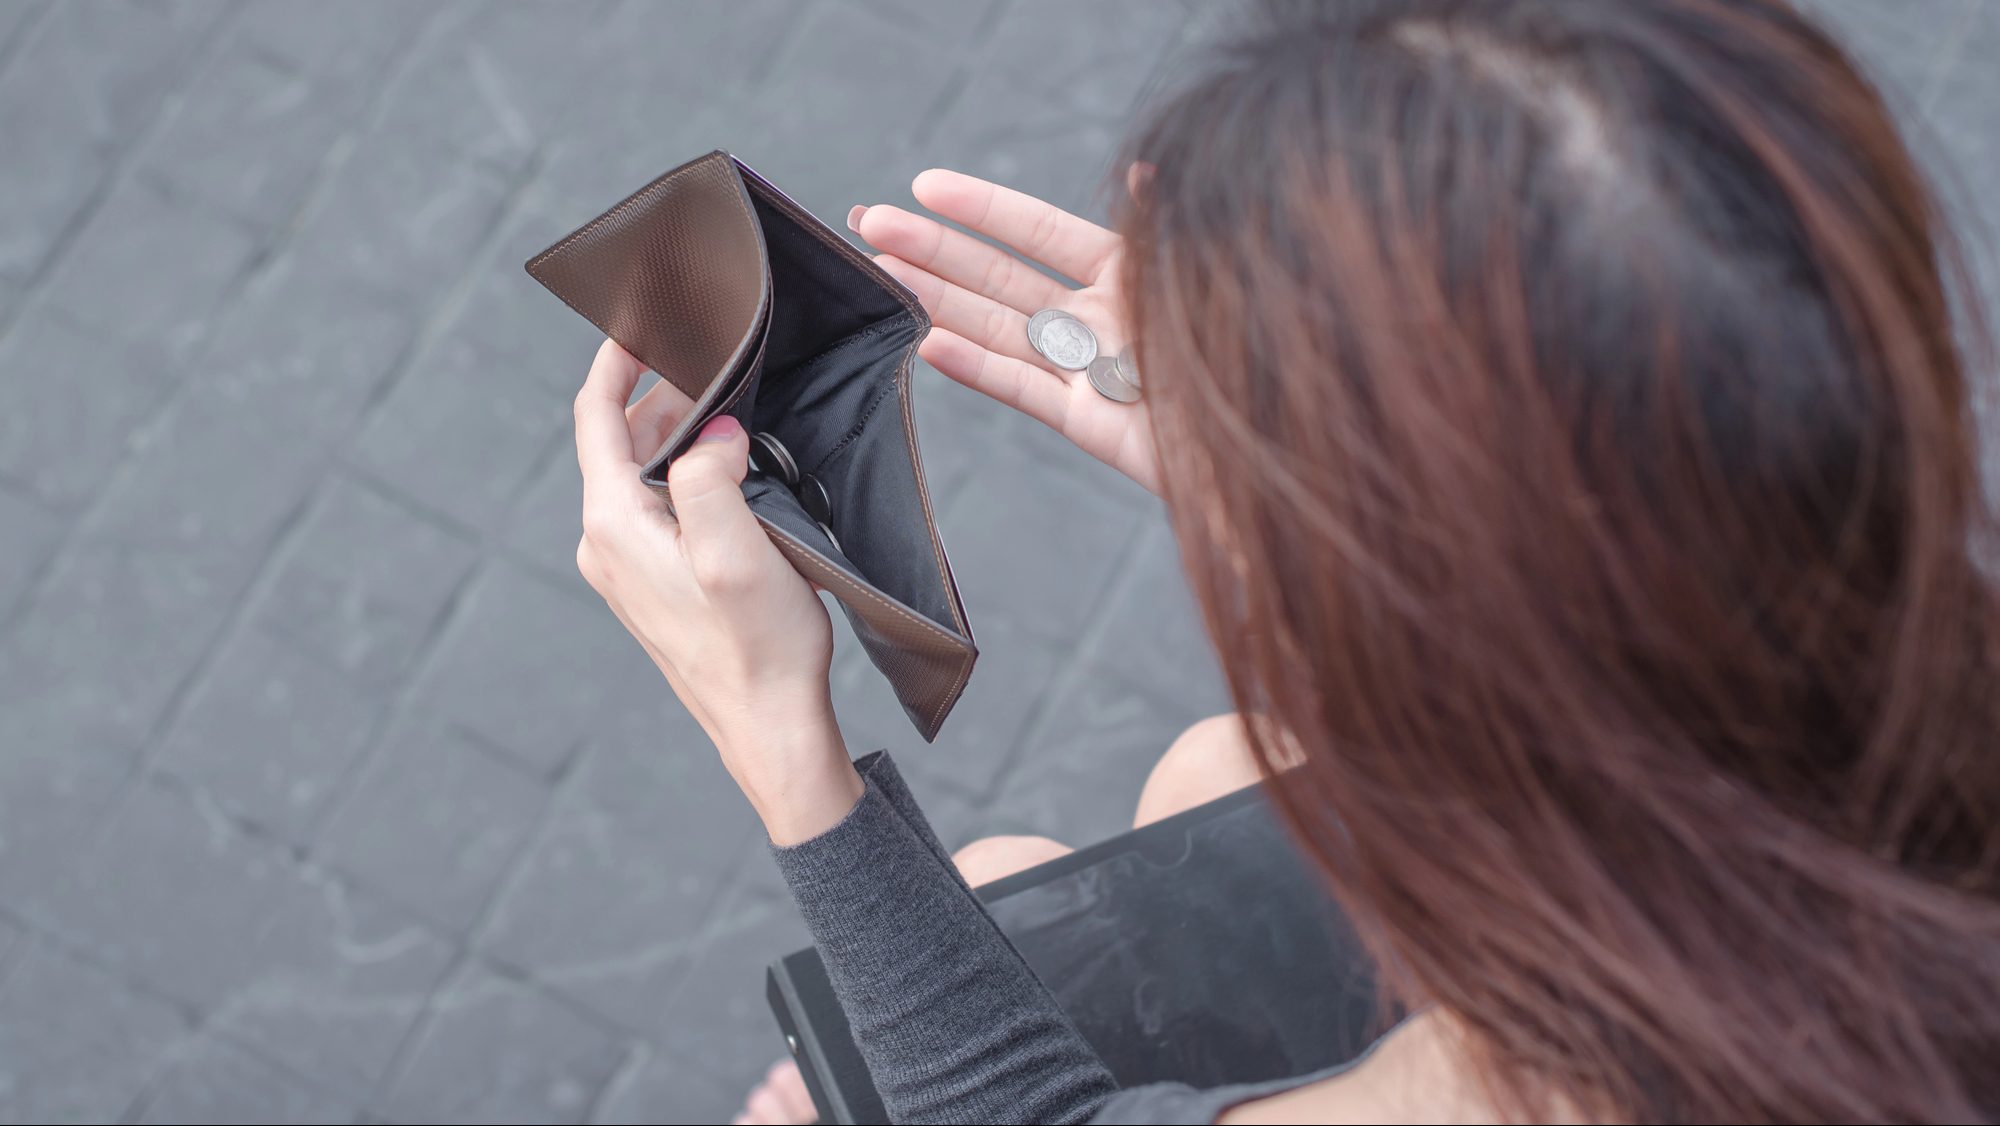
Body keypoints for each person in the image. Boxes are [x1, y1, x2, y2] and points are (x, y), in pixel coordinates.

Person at [570, 0, 2000, 1121]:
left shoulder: (1582, 1081)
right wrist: (1319, 500)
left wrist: (782, 750)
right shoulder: (1895, 641)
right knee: (1216, 771)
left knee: (950, 957)